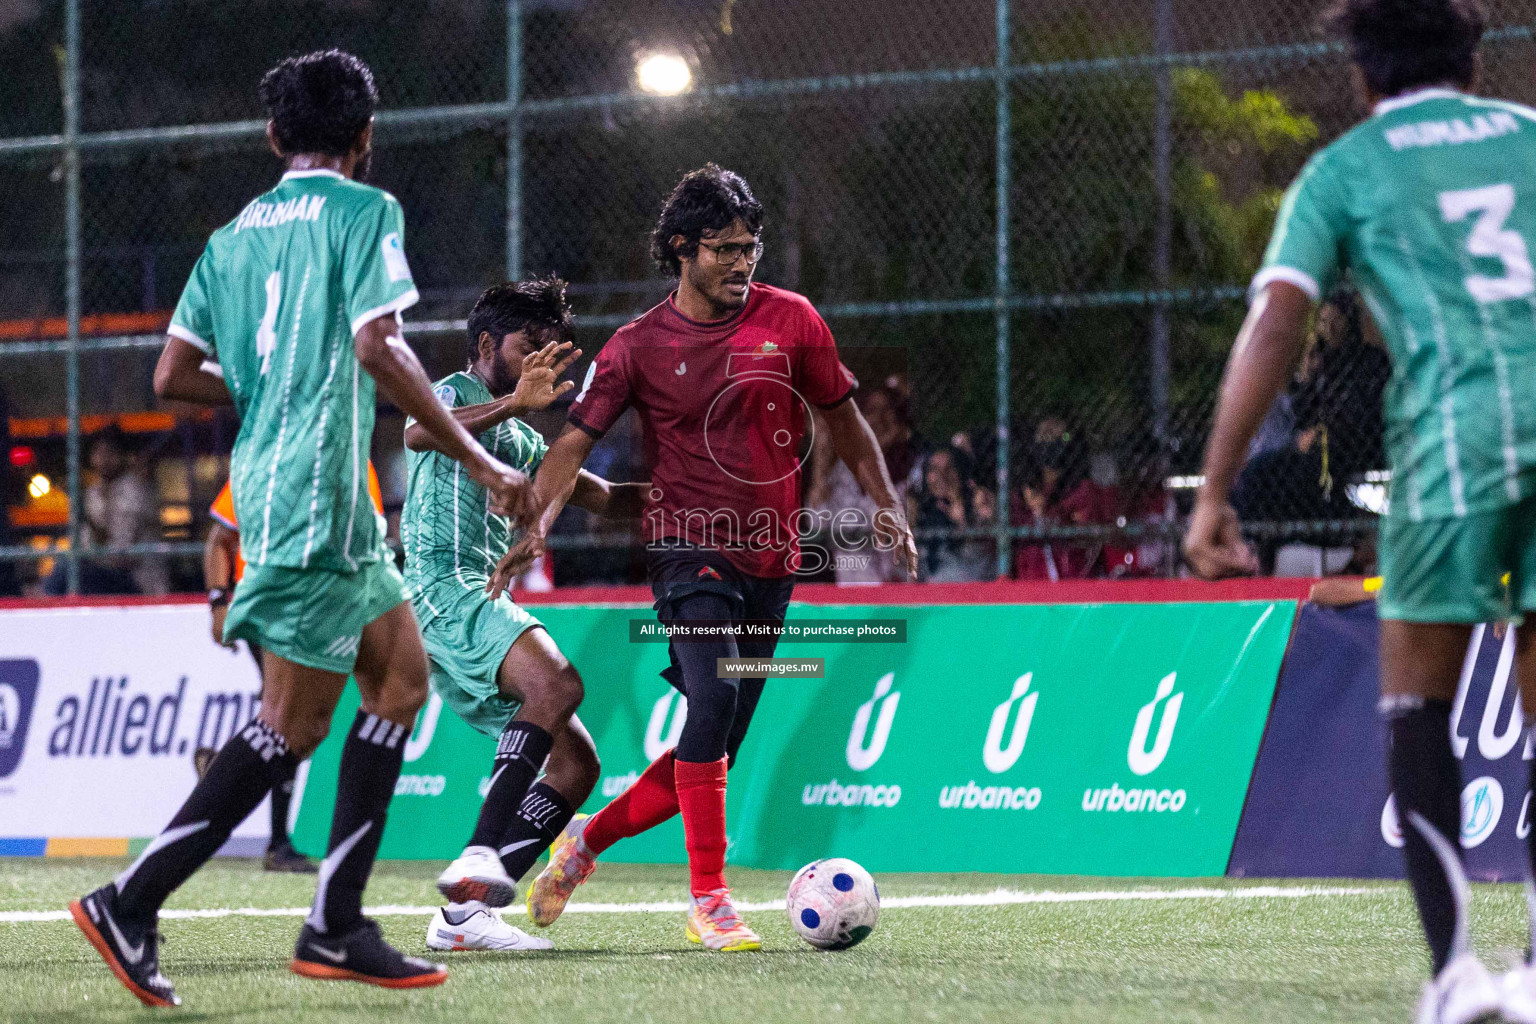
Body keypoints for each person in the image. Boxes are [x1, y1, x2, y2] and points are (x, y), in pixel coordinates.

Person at [69, 49, 530, 1006]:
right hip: (319, 493)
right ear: (365, 137)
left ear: (275, 136)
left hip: (289, 491)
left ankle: (334, 920)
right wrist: (483, 458)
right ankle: (134, 902)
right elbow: (379, 343)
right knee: (292, 721)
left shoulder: (230, 237)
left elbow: (171, 378)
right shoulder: (367, 211)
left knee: (400, 679)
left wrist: (272, 383)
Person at [1183, 2, 1536, 1020]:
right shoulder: (1527, 140)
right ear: (1473, 60)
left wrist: (1215, 490)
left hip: (1455, 438)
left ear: (1358, 73)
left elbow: (1278, 317)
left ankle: (1460, 974)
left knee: (1416, 699)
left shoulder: (1346, 168)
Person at [504, 164, 917, 951]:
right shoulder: (634, 348)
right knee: (714, 698)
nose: (742, 262)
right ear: (681, 249)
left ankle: (586, 841)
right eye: (725, 248)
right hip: (685, 546)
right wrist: (538, 524)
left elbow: (846, 419)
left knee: (716, 738)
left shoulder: (793, 320)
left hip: (772, 559)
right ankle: (709, 898)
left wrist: (886, 503)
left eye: (750, 247)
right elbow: (571, 445)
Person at [401, 278, 644, 953]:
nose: (542, 360)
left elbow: (600, 496)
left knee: (577, 764)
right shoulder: (452, 392)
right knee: (559, 685)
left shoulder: (517, 437)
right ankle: (481, 849)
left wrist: (702, 490)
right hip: (442, 586)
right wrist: (516, 399)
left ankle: (467, 916)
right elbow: (420, 432)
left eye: (549, 349)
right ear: (486, 345)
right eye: (527, 346)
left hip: (478, 598)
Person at [195, 462, 386, 872]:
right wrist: (218, 601)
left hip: (317, 604)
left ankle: (226, 772)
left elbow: (369, 540)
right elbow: (219, 539)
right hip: (266, 603)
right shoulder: (269, 453)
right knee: (289, 716)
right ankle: (276, 840)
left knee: (295, 720)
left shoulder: (358, 461)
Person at [44, 427, 165, 596]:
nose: (104, 459)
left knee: (70, 569)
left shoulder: (135, 489)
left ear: (123, 455)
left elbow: (122, 552)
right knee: (66, 566)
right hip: (106, 572)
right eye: (98, 453)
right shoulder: (93, 493)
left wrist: (93, 533)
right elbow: (84, 544)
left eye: (110, 452)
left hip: (136, 579)